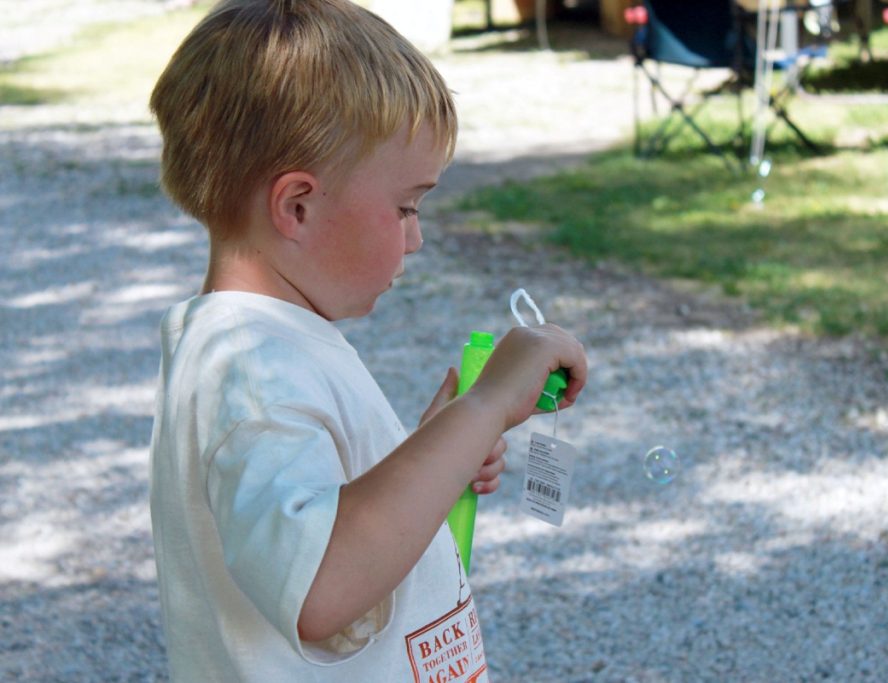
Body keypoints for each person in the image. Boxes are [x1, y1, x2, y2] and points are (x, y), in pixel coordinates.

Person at [147, 0, 587, 680]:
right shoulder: (251, 369)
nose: (417, 235)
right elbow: (320, 584)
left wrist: (436, 453)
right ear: (298, 206)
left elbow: (327, 509)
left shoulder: (270, 345)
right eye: (406, 206)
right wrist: (486, 406)